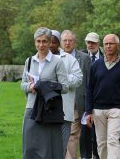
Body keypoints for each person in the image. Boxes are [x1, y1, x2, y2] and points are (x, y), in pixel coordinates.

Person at [21, 27, 69, 159]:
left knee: (48, 149)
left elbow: (65, 87)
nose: (41, 45)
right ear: (35, 42)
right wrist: (31, 86)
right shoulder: (29, 61)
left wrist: (45, 85)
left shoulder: (57, 61)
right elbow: (22, 84)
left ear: (49, 42)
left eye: (44, 41)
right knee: (29, 148)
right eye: (38, 41)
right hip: (31, 108)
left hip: (49, 110)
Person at [86, 34, 120, 159]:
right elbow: (89, 89)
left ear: (117, 45)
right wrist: (89, 111)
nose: (108, 46)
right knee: (101, 143)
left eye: (111, 43)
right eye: (106, 43)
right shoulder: (96, 65)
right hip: (98, 109)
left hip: (116, 109)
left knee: (113, 141)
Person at [50, 30, 83, 157]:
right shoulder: (38, 59)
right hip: (45, 110)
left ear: (59, 43)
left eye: (54, 42)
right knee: (47, 144)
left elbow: (78, 79)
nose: (51, 45)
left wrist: (61, 78)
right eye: (49, 42)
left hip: (64, 109)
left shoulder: (69, 59)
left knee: (63, 144)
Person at [61, 30, 92, 159]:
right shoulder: (54, 57)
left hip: (77, 103)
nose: (67, 43)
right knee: (60, 137)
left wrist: (89, 105)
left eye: (70, 40)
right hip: (59, 103)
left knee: (72, 136)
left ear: (75, 42)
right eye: (65, 41)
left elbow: (90, 82)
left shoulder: (84, 58)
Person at [82, 32, 102, 159]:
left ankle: (98, 155)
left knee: (99, 131)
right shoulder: (82, 56)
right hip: (84, 98)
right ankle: (85, 156)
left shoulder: (105, 56)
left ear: (98, 43)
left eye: (93, 42)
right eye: (88, 42)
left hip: (101, 98)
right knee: (85, 131)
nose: (90, 45)